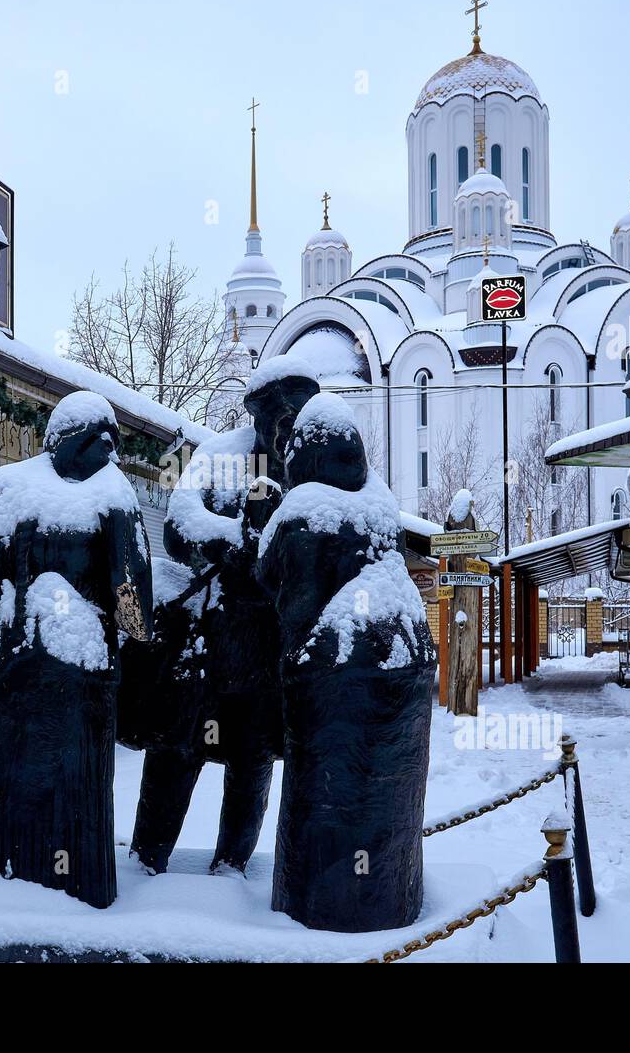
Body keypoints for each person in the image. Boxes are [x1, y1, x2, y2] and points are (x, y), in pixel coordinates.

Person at [124, 356, 319, 874]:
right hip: (208, 646)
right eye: (280, 416)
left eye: (297, 416)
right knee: (176, 748)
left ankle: (232, 868)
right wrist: (229, 542)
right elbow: (178, 526)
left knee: (252, 760)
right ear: (258, 413)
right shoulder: (220, 458)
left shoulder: (312, 472)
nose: (288, 427)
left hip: (269, 647)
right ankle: (147, 858)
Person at [257, 393, 434, 932]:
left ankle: (326, 908)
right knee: (387, 796)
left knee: (329, 796)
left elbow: (286, 593)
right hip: (406, 654)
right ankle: (390, 896)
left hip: (336, 670)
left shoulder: (307, 509)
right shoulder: (380, 506)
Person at [0, 391, 152, 909]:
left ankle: (12, 873)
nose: (109, 454)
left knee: (30, 786)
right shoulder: (106, 494)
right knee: (65, 791)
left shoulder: (11, 488)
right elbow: (130, 594)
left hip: (19, 659)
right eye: (103, 442)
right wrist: (134, 639)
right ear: (75, 440)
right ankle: (51, 881)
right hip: (64, 665)